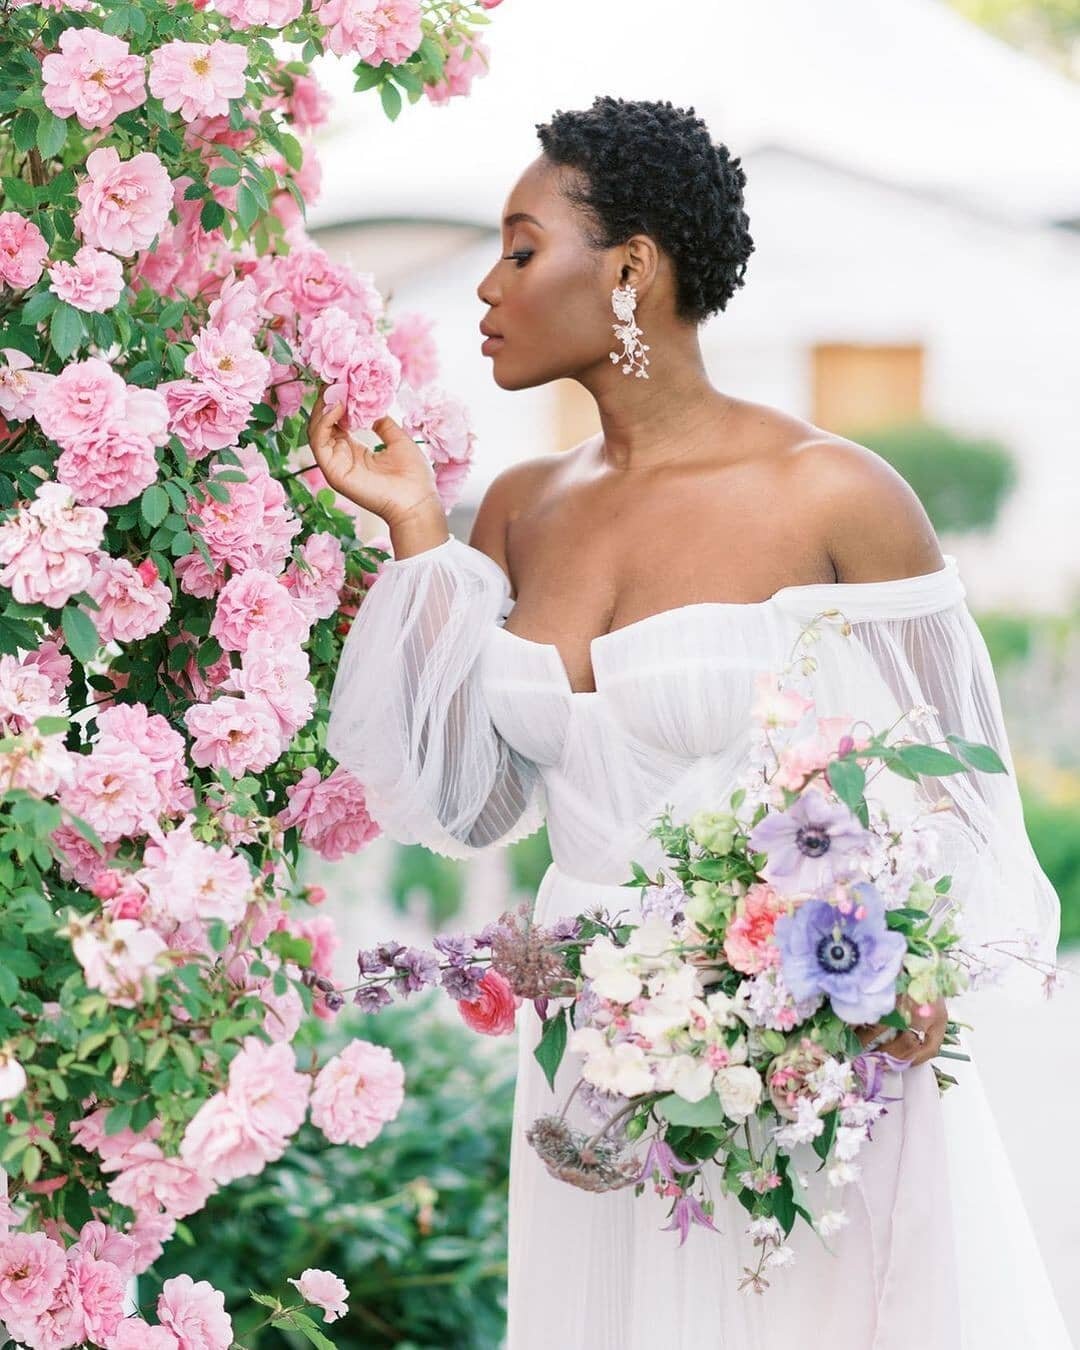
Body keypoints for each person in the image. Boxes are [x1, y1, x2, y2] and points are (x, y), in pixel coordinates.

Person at [310, 96, 1069, 1350]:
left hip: (801, 1052)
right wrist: (418, 538)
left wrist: (877, 982)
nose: (488, 291)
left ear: (631, 269)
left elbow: (962, 778)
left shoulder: (829, 490)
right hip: (589, 1055)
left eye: (519, 248)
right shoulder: (517, 507)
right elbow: (470, 804)